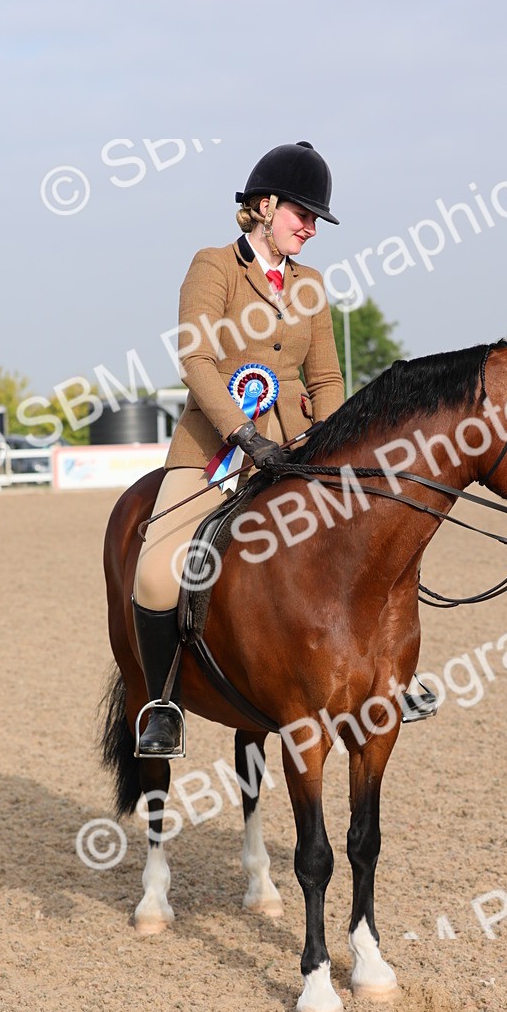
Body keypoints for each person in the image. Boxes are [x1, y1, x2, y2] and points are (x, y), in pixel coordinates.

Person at [132, 141, 435, 758]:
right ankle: (162, 703)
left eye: (317, 219)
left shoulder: (312, 285)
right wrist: (242, 436)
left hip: (300, 450)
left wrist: (340, 450)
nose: (312, 229)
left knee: (375, 538)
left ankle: (386, 675)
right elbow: (194, 358)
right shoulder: (213, 266)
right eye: (304, 215)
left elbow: (325, 379)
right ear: (264, 207)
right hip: (214, 449)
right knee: (157, 572)